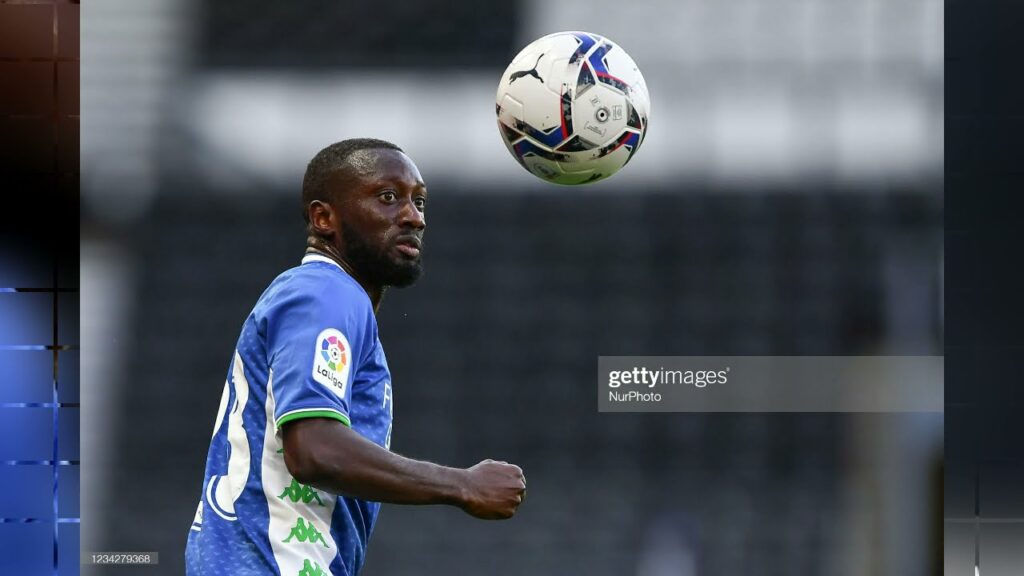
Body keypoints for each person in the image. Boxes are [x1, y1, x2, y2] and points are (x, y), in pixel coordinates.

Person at [185, 138, 526, 576]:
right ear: (323, 217)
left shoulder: (328, 299)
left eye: (419, 201)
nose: (413, 217)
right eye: (388, 197)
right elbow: (314, 449)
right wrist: (462, 484)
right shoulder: (325, 293)